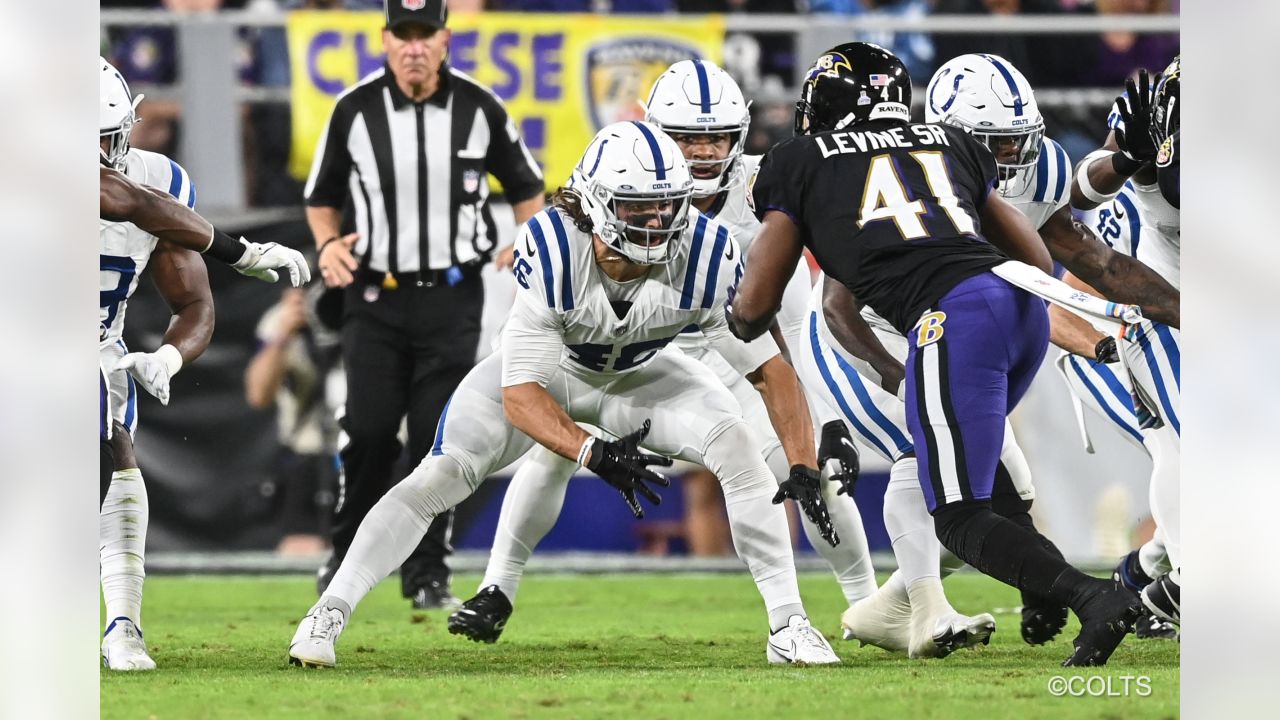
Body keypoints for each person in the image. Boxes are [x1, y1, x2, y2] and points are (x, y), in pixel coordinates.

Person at [288, 121, 842, 669]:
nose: (655, 223)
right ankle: (328, 612)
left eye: (667, 205)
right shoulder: (554, 247)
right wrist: (591, 452)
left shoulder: (706, 251)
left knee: (739, 449)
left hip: (641, 375)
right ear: (597, 203)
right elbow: (523, 395)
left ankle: (788, 624)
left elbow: (769, 368)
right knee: (440, 476)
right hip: (551, 373)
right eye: (635, 208)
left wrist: (800, 462)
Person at [728, 42, 1145, 666]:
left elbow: (755, 308)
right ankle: (931, 606)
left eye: (1012, 142)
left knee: (971, 499)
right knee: (962, 470)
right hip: (929, 324)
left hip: (950, 319)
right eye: (991, 141)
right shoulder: (942, 151)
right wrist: (906, 370)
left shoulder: (812, 161)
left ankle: (1069, 597)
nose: (1007, 154)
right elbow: (1031, 263)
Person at [447, 61, 879, 647]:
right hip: (640, 353)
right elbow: (562, 234)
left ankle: (868, 608)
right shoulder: (621, 178)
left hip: (736, 358)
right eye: (685, 138)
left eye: (716, 137)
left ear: (739, 135)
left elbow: (793, 329)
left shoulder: (771, 192)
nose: (702, 153)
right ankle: (498, 586)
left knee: (814, 474)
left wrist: (825, 422)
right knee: (555, 447)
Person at [304, 0, 546, 610]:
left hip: (451, 296)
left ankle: (428, 570)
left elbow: (526, 188)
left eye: (425, 34)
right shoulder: (354, 109)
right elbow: (321, 196)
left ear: (445, 39)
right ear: (385, 40)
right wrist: (328, 244)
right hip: (374, 296)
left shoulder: (480, 107)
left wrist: (528, 236)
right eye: (403, 34)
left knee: (440, 440)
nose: (414, 46)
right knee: (370, 432)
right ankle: (345, 554)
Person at [1070, 57, 1181, 625]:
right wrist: (1123, 158)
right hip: (1130, 320)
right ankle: (1182, 583)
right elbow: (1081, 195)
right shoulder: (1143, 136)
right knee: (1188, 445)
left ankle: (1146, 577)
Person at [244, 286, 343, 556]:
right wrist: (283, 334)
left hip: (376, 451)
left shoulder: (382, 309)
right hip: (308, 452)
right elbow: (258, 395)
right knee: (301, 552)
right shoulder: (284, 318)